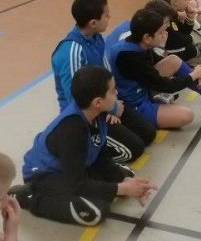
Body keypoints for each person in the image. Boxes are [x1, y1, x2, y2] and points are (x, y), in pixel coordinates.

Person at [15, 66, 157, 227]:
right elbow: (78, 183)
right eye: (112, 91)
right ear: (97, 102)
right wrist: (123, 189)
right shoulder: (72, 129)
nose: (116, 93)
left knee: (124, 175)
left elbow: (101, 156)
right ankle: (27, 197)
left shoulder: (98, 114)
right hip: (44, 175)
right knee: (95, 212)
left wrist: (125, 181)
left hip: (72, 168)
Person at [52, 0, 155, 164]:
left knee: (148, 133)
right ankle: (82, 152)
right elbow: (77, 99)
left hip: (104, 104)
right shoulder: (73, 51)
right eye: (106, 14)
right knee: (134, 149)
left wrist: (114, 103)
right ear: (93, 23)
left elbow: (108, 76)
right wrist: (109, 109)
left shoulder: (97, 37)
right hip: (86, 117)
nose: (110, 17)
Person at [107, 9, 201, 129]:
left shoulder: (139, 43)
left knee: (173, 60)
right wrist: (193, 76)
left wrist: (196, 72)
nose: (165, 34)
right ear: (147, 37)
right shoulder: (128, 56)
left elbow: (159, 63)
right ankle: (140, 119)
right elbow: (166, 85)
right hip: (134, 104)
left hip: (143, 88)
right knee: (186, 116)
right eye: (161, 32)